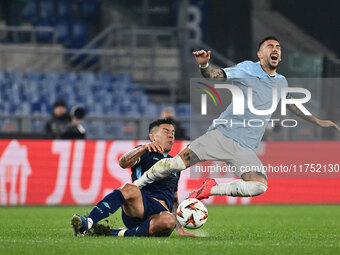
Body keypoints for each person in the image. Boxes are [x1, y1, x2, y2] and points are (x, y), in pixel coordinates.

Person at [133, 36, 340, 200]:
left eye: (278, 46)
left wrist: (319, 122)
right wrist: (204, 66)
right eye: (269, 46)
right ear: (260, 54)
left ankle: (210, 189)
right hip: (222, 134)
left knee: (258, 186)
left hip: (245, 148)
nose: (275, 49)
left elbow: (293, 105)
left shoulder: (281, 82)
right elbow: (215, 76)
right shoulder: (247, 68)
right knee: (176, 164)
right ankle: (135, 186)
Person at [71, 119, 195, 237]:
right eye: (166, 131)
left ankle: (115, 233)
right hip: (139, 205)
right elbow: (123, 162)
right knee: (129, 188)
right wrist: (143, 148)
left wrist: (180, 229)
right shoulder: (145, 152)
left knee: (168, 220)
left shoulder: (174, 165)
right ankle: (87, 223)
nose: (170, 136)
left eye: (173, 133)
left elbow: (174, 199)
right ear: (152, 136)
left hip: (161, 213)